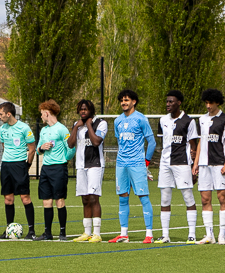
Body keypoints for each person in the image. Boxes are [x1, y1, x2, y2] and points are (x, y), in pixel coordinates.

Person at [109, 89, 157, 243]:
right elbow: (120, 142)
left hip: (137, 163)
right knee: (123, 197)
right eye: (122, 100)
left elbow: (152, 142)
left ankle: (149, 234)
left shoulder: (141, 119)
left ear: (134, 102)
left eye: (127, 100)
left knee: (143, 197)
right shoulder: (117, 121)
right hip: (121, 163)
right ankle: (124, 234)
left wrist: (146, 162)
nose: (123, 103)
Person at [192, 89, 225, 244]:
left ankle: (222, 235)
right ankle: (209, 235)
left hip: (219, 164)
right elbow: (201, 142)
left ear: (217, 102)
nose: (208, 106)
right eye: (206, 103)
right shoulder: (202, 120)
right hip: (204, 165)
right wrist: (196, 163)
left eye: (211, 103)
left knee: (222, 197)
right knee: (205, 199)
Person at [157, 90, 199, 243]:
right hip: (165, 163)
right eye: (167, 101)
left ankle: (192, 234)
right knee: (165, 198)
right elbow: (163, 142)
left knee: (188, 197)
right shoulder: (162, 120)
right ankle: (165, 235)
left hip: (182, 162)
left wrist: (194, 166)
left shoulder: (188, 121)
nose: (168, 104)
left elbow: (193, 145)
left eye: (171, 102)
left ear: (179, 103)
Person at [33, 99, 74, 241]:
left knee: (59, 200)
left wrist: (64, 160)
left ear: (47, 113)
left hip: (59, 168)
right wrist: (41, 148)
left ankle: (62, 233)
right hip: (45, 169)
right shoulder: (44, 130)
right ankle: (47, 233)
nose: (41, 116)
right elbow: (37, 150)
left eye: (41, 114)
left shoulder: (62, 129)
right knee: (46, 201)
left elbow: (71, 148)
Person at [69, 99, 107, 242]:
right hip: (80, 165)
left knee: (93, 197)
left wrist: (89, 125)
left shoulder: (100, 123)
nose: (83, 112)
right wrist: (75, 128)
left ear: (91, 110)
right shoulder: (77, 124)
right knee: (85, 199)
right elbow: (70, 144)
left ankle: (96, 233)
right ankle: (86, 232)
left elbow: (96, 141)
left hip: (95, 164)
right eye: (81, 109)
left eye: (85, 109)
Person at [0, 102, 37, 239]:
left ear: (9, 114)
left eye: (1, 114)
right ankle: (9, 230)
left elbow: (32, 149)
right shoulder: (2, 129)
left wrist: (27, 165)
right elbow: (4, 146)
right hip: (6, 166)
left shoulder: (24, 128)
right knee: (8, 199)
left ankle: (31, 231)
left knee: (25, 198)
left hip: (19, 165)